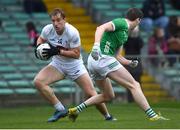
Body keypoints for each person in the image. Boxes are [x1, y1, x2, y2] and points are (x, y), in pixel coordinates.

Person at [68, 8, 169, 121]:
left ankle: (76, 109)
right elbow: (100, 28)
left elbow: (117, 56)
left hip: (95, 61)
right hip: (103, 58)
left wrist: (129, 63)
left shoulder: (125, 33)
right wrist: (96, 46)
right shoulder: (122, 23)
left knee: (108, 96)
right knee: (134, 85)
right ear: (138, 20)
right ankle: (153, 116)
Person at [33, 8, 115, 123]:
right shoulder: (47, 29)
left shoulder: (72, 32)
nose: (55, 23)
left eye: (58, 20)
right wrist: (38, 47)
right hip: (58, 65)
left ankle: (107, 116)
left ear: (64, 20)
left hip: (75, 66)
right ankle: (60, 109)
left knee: (91, 93)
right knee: (38, 81)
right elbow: (41, 39)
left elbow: (76, 54)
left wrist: (57, 51)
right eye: (53, 21)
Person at [124, 26, 144, 102]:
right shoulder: (127, 39)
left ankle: (139, 99)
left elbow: (140, 45)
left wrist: (136, 35)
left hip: (137, 63)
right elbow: (125, 45)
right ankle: (130, 100)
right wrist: (130, 34)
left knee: (138, 82)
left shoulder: (139, 39)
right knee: (129, 83)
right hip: (128, 63)